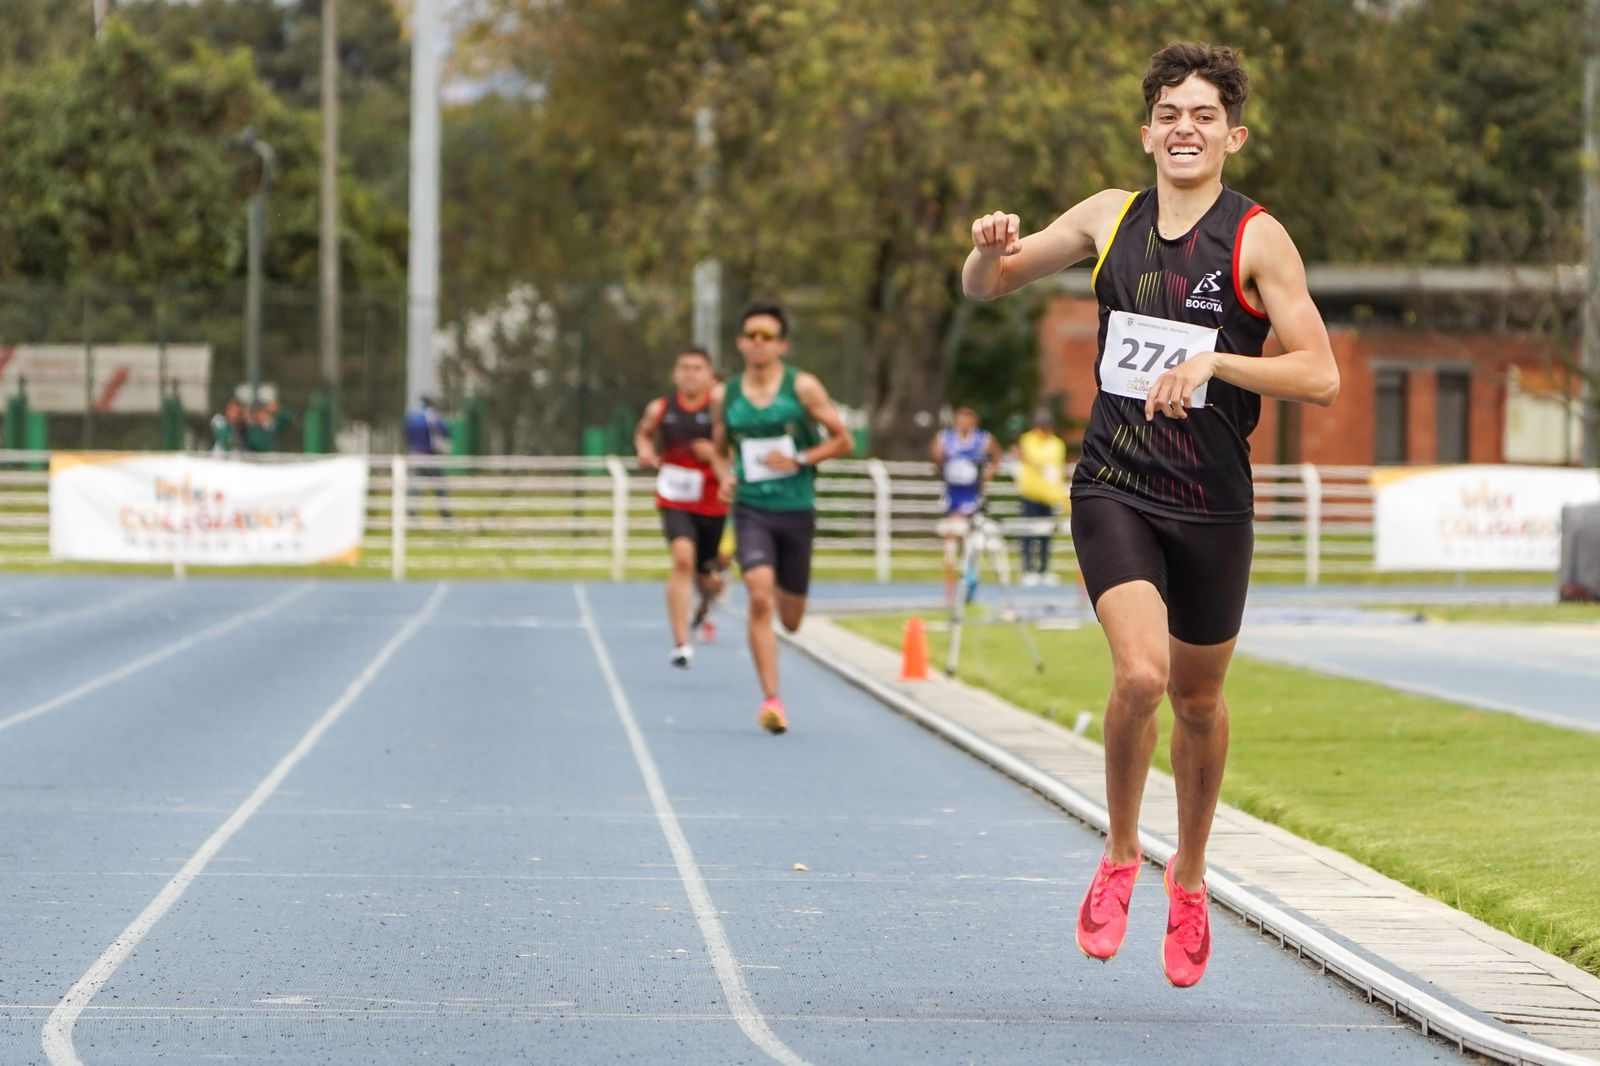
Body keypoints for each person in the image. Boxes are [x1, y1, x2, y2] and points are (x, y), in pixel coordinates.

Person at [962, 41, 1339, 987]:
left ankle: (1193, 875)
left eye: (1204, 115)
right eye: (1170, 113)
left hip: (1213, 504)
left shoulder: (1258, 239)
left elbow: (1322, 375)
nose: (1185, 128)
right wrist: (984, 251)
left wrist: (1218, 363)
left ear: (1232, 135)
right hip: (1114, 487)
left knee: (1199, 701)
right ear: (1146, 132)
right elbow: (991, 285)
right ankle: (1122, 854)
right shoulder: (1107, 218)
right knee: (1141, 673)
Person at [710, 300, 854, 735]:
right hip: (752, 509)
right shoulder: (725, 395)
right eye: (751, 335)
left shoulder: (803, 388)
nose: (758, 343)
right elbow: (719, 449)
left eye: (767, 336)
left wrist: (799, 459)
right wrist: (723, 477)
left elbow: (844, 440)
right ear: (740, 343)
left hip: (795, 510)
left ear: (782, 344)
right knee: (758, 596)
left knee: (790, 618)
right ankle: (772, 700)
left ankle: (777, 603)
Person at [634, 345, 729, 667]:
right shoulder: (660, 408)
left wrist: (715, 457)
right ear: (675, 373)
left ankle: (710, 594)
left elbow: (732, 454)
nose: (690, 374)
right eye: (684, 367)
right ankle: (681, 642)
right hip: (674, 497)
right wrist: (645, 451)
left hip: (713, 503)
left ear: (709, 375)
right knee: (682, 560)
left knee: (706, 575)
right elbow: (644, 435)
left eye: (697, 368)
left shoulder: (721, 410)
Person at [931, 404, 1002, 604]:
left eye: (967, 418)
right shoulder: (945, 438)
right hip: (952, 495)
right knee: (951, 539)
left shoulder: (982, 438)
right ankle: (951, 588)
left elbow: (997, 456)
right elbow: (936, 456)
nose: (963, 422)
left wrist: (989, 473)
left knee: (971, 538)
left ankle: (970, 577)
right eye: (960, 418)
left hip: (972, 495)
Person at [1015, 407, 1067, 587]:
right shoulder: (1028, 439)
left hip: (1050, 496)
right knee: (1029, 533)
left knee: (1046, 535)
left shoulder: (1057, 443)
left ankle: (1044, 569)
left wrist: (1059, 496)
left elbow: (1056, 467)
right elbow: (1033, 458)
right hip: (1031, 494)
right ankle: (1028, 569)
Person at [403, 395, 452, 519]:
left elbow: (405, 432)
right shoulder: (432, 415)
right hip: (431, 455)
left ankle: (413, 514)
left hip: (416, 454)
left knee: (415, 486)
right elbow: (445, 430)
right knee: (440, 486)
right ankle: (445, 513)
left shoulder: (412, 415)